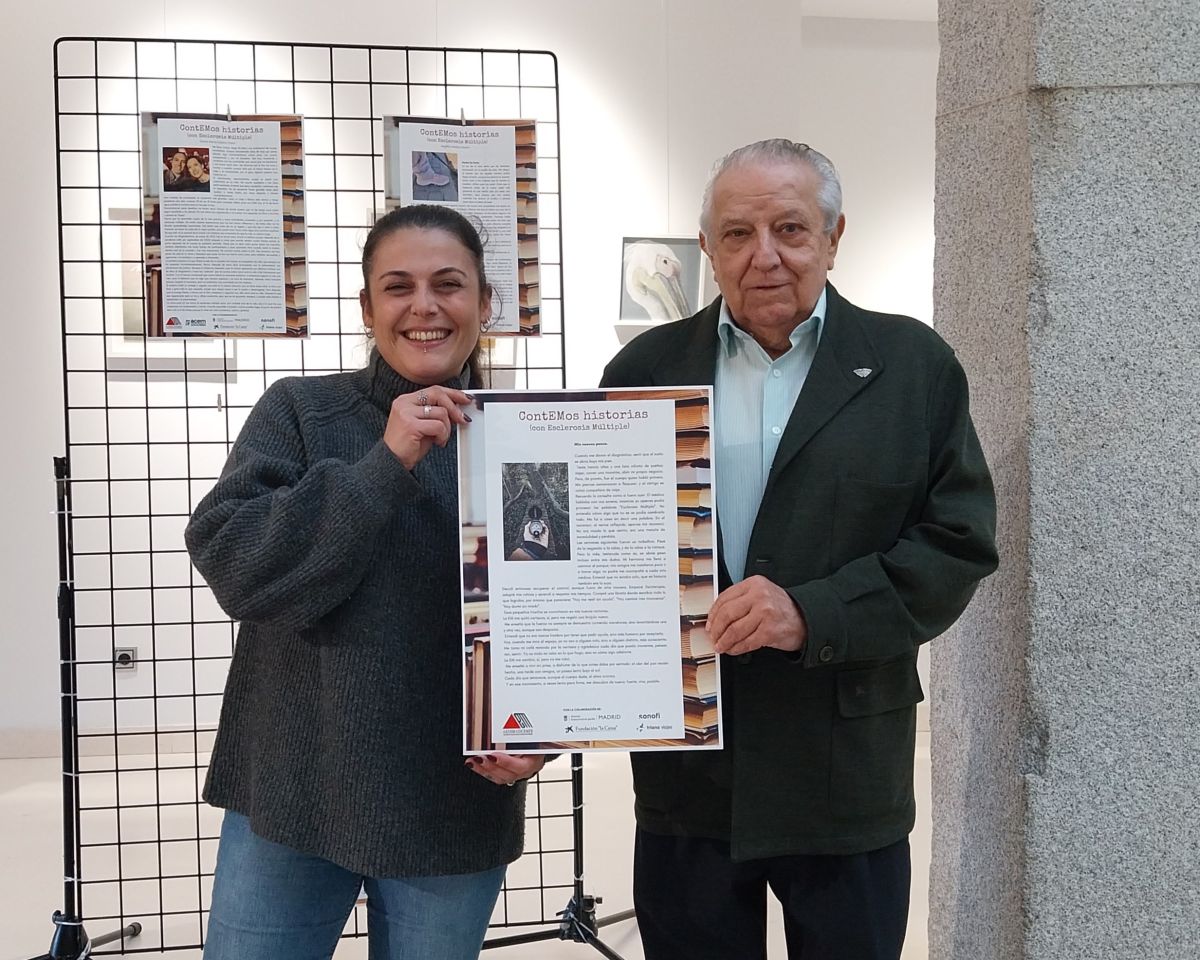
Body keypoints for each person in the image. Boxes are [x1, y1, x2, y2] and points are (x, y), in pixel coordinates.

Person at [600, 139, 998, 960]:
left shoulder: (912, 367)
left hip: (843, 774)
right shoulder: (642, 369)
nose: (765, 255)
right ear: (707, 248)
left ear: (833, 236)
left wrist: (812, 613)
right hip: (688, 780)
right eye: (737, 234)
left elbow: (957, 544)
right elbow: (595, 555)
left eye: (789, 228)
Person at [185, 204, 546, 960]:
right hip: (293, 789)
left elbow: (570, 611)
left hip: (454, 804)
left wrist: (544, 729)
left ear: (485, 303)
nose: (424, 306)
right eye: (398, 286)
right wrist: (385, 464)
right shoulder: (300, 411)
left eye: (449, 284)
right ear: (367, 307)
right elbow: (237, 564)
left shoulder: (530, 436)